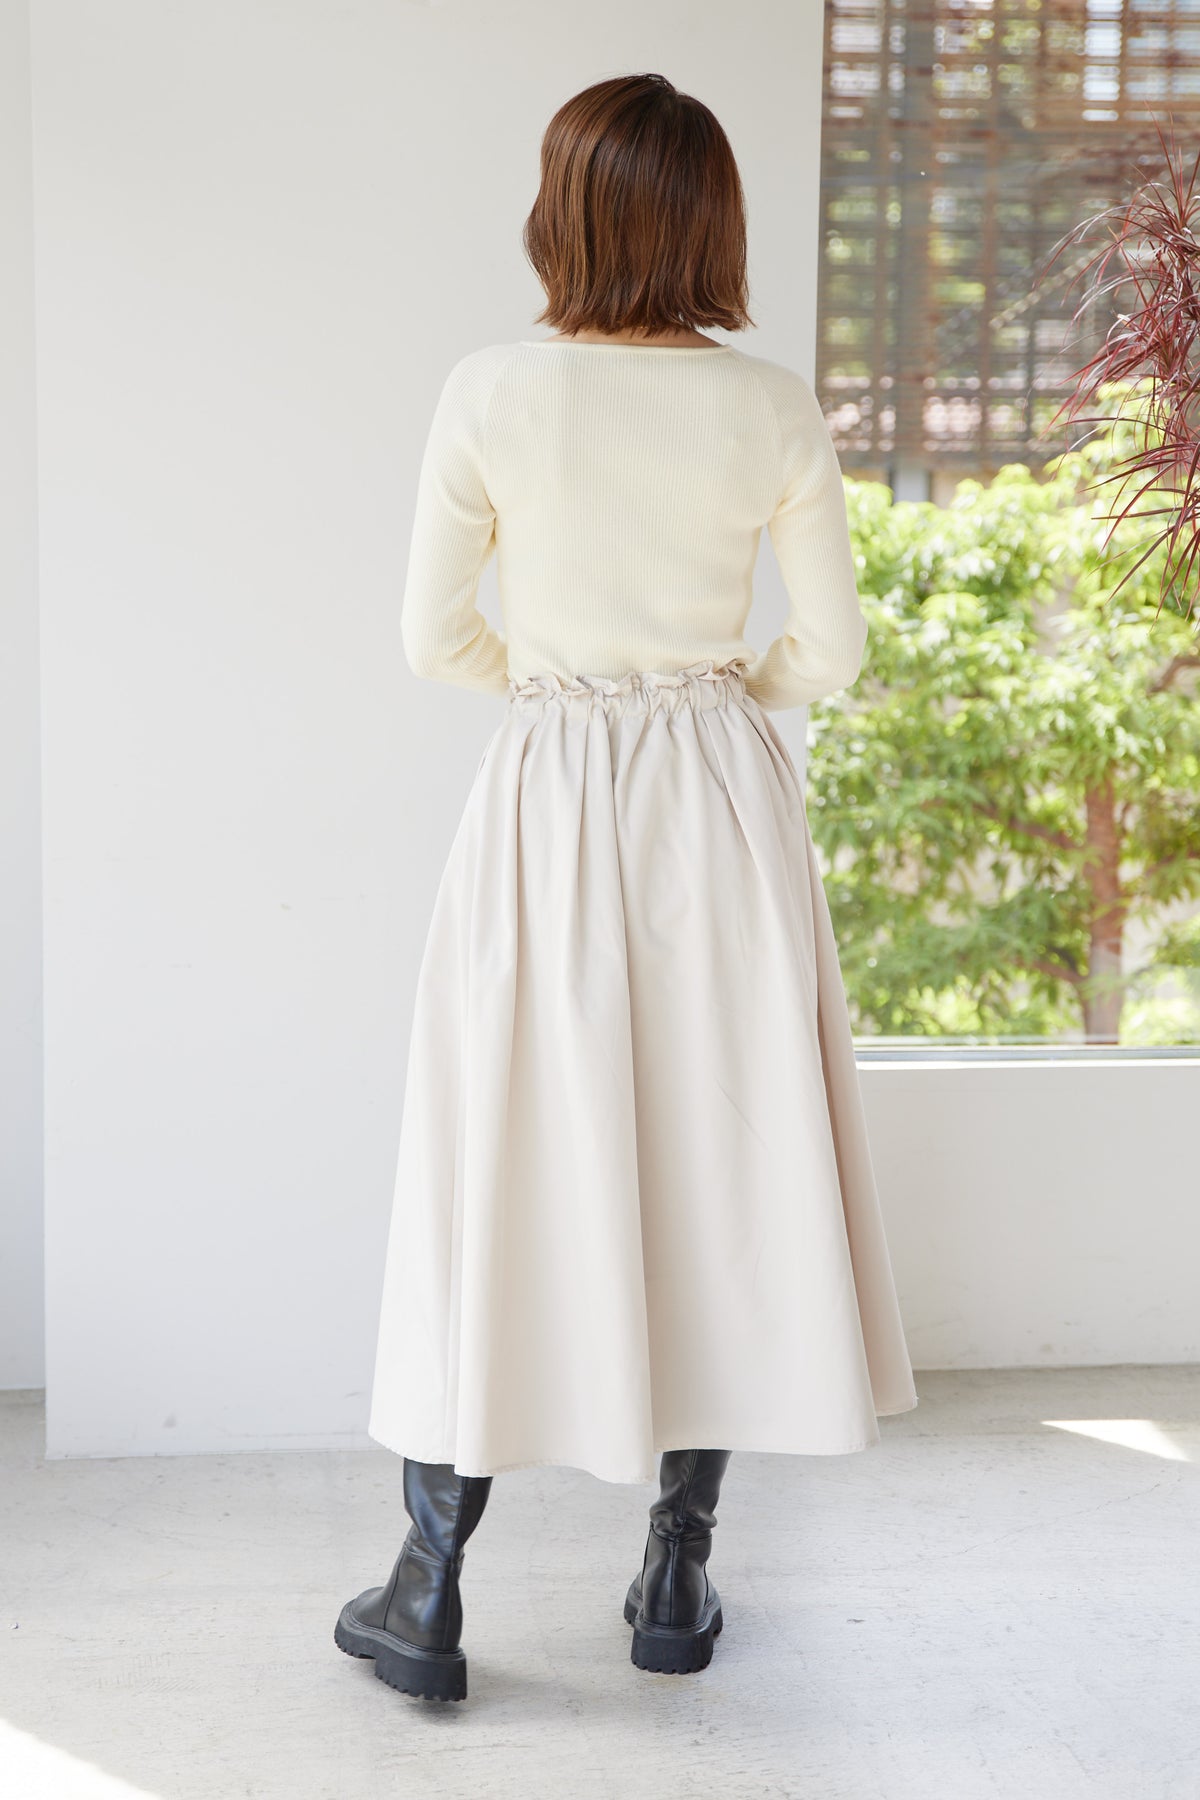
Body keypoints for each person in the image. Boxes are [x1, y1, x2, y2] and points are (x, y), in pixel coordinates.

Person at [335, 70, 918, 1703]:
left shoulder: (491, 391)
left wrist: (560, 690)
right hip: (719, 798)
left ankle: (429, 1589)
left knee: (498, 1146)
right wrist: (710, 698)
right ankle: (675, 1567)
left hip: (552, 793)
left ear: (561, 212)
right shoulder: (772, 406)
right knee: (719, 1153)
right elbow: (830, 652)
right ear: (715, 222)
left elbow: (431, 637)